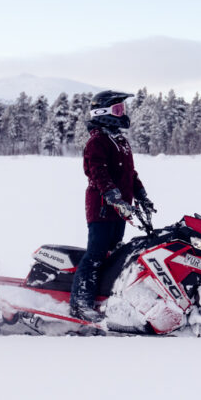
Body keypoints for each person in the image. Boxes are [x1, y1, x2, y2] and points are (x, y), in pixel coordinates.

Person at [69, 90, 155, 322]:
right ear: (102, 113)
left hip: (121, 209)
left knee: (116, 256)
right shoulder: (97, 141)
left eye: (122, 110)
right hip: (102, 209)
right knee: (96, 255)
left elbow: (130, 174)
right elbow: (97, 172)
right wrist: (113, 197)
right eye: (118, 110)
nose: (122, 114)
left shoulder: (119, 141)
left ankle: (105, 296)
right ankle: (80, 303)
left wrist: (142, 195)